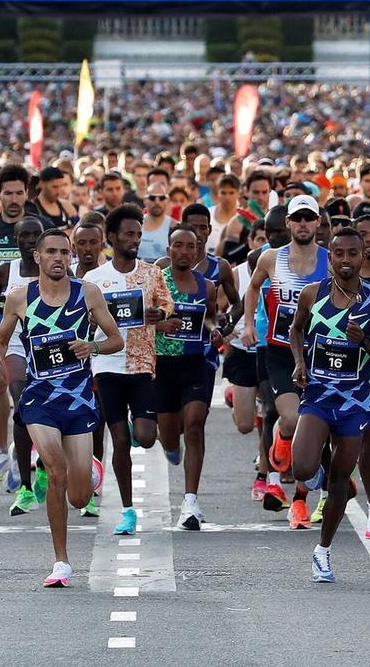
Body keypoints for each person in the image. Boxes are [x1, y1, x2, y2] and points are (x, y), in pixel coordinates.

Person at [0, 228, 122, 587]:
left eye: (65, 252)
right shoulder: (19, 297)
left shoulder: (87, 294)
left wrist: (90, 348)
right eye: (52, 252)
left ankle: (90, 471)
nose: (59, 258)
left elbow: (115, 338)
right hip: (40, 398)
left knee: (79, 495)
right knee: (55, 470)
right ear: (38, 257)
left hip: (77, 399)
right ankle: (61, 561)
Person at [288, 227, 370, 581]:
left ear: (364, 256)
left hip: (354, 402)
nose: (345, 260)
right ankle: (316, 472)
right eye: (339, 254)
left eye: (353, 254)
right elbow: (296, 331)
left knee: (338, 482)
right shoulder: (311, 294)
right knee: (301, 468)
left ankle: (323, 551)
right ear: (329, 256)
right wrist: (300, 363)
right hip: (318, 395)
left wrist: (364, 341)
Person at [243, 194, 329, 528]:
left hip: (320, 353)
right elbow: (252, 289)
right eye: (299, 218)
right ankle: (280, 438)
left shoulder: (329, 260)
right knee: (292, 421)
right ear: (289, 223)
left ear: (318, 222)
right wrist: (250, 323)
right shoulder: (270, 258)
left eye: (310, 218)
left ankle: (300, 500)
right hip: (280, 351)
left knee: (315, 429)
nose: (304, 224)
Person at [86, 206, 174, 535]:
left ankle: (141, 426)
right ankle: (127, 510)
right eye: (128, 234)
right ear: (111, 238)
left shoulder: (151, 273)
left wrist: (157, 314)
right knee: (119, 440)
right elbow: (84, 317)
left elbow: (166, 304)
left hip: (141, 363)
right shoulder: (94, 279)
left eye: (138, 234)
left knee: (147, 438)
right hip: (107, 365)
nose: (134, 240)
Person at [154, 225, 218, 530]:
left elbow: (211, 316)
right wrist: (159, 326)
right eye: (177, 246)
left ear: (198, 251)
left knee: (194, 426)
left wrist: (215, 329)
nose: (183, 251)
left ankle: (190, 502)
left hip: (195, 363)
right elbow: (139, 319)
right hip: (162, 365)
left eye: (190, 246)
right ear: (168, 251)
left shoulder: (206, 285)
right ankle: (169, 445)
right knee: (169, 434)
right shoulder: (156, 282)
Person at [0, 216, 43, 505]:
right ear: (16, 241)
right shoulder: (7, 271)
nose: (31, 240)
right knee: (22, 400)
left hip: (47, 347)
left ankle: (38, 456)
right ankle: (22, 461)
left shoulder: (56, 269)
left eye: (36, 235)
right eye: (25, 236)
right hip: (16, 343)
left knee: (44, 407)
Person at [138, 182, 173, 263]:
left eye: (161, 198)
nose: (157, 202)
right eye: (152, 198)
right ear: (145, 200)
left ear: (167, 200)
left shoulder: (174, 226)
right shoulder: (137, 224)